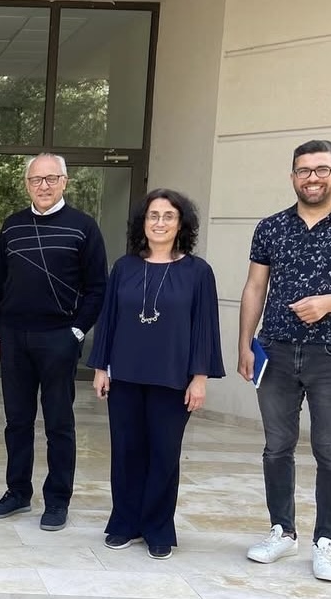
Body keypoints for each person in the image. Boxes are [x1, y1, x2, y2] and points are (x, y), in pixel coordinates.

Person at [87, 189, 224, 560]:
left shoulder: (198, 272)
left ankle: (158, 528)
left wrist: (200, 378)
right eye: (153, 216)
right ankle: (124, 523)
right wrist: (100, 368)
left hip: (173, 378)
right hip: (125, 375)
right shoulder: (125, 267)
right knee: (126, 451)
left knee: (164, 453)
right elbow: (109, 320)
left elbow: (204, 328)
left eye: (168, 216)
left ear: (181, 225)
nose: (159, 223)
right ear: (142, 223)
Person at [0, 153, 107, 531]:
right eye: (36, 180)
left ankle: (57, 500)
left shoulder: (84, 227)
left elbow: (97, 288)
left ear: (64, 182)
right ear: (27, 184)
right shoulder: (12, 226)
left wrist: (77, 332)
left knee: (58, 424)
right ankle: (17, 492)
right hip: (15, 339)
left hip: (59, 338)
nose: (43, 186)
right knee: (17, 422)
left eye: (51, 179)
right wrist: (0, 334)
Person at [239, 139, 331, 582]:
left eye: (321, 169)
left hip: (328, 355)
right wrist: (244, 343)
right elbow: (255, 286)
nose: (312, 178)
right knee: (277, 447)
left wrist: (328, 302)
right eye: (304, 170)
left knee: (328, 449)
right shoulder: (271, 227)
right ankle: (282, 531)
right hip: (275, 352)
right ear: (293, 176)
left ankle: (326, 539)